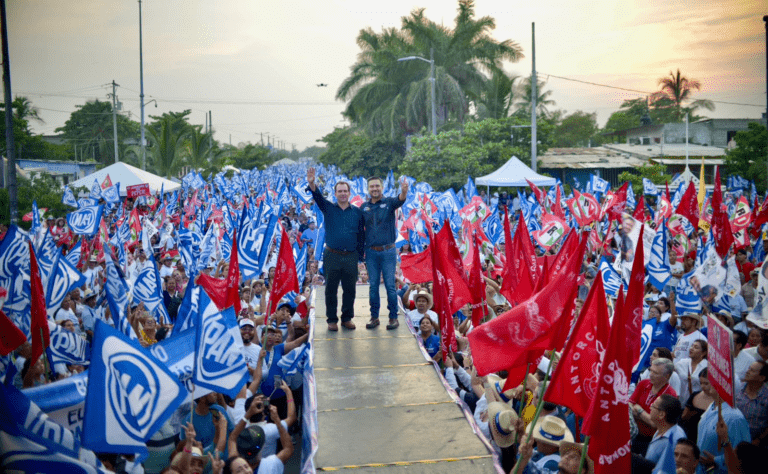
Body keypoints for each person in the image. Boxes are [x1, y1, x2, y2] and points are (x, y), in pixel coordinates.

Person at [307, 167, 365, 331]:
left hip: (351, 256)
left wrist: (361, 257)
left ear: (349, 192)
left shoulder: (357, 213)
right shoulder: (329, 208)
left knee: (350, 289)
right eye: (339, 191)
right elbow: (317, 197)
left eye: (345, 191)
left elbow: (361, 235)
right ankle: (332, 319)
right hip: (332, 255)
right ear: (335, 193)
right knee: (330, 289)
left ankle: (347, 318)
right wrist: (312, 184)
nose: (342, 194)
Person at [362, 176, 407, 330]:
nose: (374, 189)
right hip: (371, 253)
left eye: (377, 186)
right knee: (373, 286)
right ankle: (374, 317)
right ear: (368, 189)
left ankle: (393, 318)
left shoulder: (389, 203)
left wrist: (404, 190)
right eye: (371, 187)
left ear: (382, 187)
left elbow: (401, 199)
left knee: (390, 286)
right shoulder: (363, 207)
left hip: (388, 251)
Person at [630, 358, 678, 455]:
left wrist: (639, 410)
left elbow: (655, 424)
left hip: (651, 440)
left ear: (667, 376)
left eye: (655, 373)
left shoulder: (670, 395)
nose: (651, 374)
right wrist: (647, 417)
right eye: (651, 370)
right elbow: (629, 405)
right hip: (634, 435)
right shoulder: (643, 383)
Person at [642, 395, 686, 468]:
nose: (650, 407)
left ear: (662, 414)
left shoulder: (674, 441)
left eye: (653, 406)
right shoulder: (661, 429)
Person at [734, 360, 768, 448]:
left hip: (755, 443)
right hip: (734, 438)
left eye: (752, 370)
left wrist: (759, 440)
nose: (747, 371)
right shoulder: (738, 389)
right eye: (749, 368)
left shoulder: (766, 396)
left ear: (762, 378)